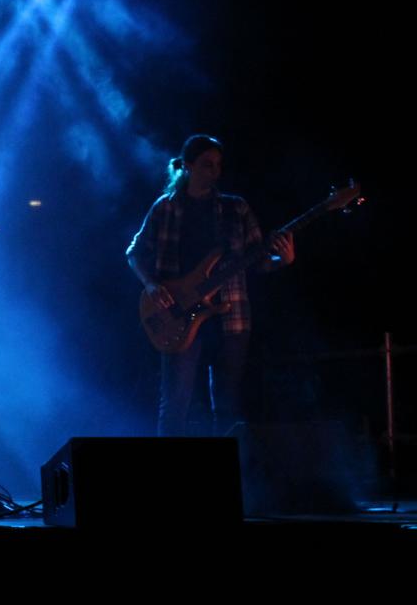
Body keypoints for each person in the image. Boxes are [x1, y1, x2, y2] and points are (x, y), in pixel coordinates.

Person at [126, 134, 294, 435]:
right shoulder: (165, 208)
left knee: (227, 407)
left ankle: (224, 476)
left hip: (231, 318)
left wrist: (283, 260)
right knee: (175, 406)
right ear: (187, 166)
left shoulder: (236, 209)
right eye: (207, 164)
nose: (214, 171)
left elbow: (259, 262)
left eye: (218, 165)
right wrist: (151, 286)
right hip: (177, 315)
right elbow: (134, 253)